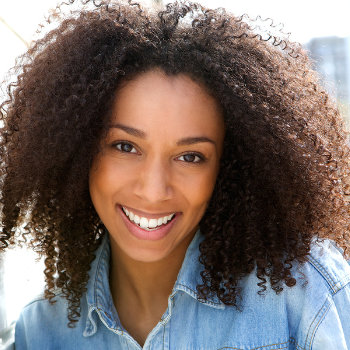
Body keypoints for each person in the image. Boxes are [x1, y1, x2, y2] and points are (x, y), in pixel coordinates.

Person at [1, 0, 350, 348]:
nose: (154, 191)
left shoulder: (304, 295)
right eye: (125, 146)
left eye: (190, 156)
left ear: (229, 167)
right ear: (77, 148)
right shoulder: (42, 331)